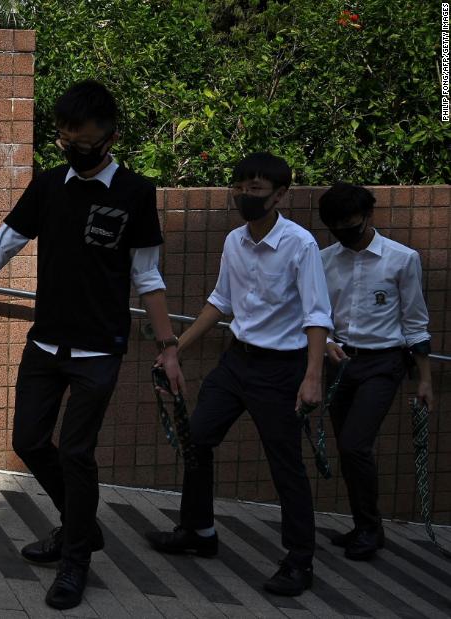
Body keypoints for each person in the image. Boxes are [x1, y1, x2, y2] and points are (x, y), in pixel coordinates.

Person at [0, 80, 185, 610]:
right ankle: (81, 524)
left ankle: (75, 557)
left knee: (77, 453)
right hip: (47, 344)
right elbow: (1, 247)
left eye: (84, 141)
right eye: (64, 139)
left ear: (110, 137)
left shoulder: (135, 193)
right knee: (30, 442)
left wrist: (168, 345)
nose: (74, 149)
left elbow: (148, 277)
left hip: (100, 349)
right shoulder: (49, 185)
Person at [145, 153, 332, 596]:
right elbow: (220, 301)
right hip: (236, 362)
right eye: (241, 188)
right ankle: (198, 531)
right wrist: (175, 348)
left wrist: (312, 376)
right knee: (198, 437)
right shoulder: (234, 240)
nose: (246, 197)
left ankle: (299, 561)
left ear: (280, 195)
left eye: (257, 190)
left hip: (281, 369)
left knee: (285, 463)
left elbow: (317, 315)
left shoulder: (300, 244)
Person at [317, 182, 434, 560]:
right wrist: (326, 342)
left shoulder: (402, 259)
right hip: (338, 361)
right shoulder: (324, 259)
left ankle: (370, 528)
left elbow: (415, 321)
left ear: (368, 216)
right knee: (348, 448)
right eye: (336, 227)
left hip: (383, 363)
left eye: (350, 224)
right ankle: (362, 524)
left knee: (355, 444)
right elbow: (317, 313)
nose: (344, 233)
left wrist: (425, 380)